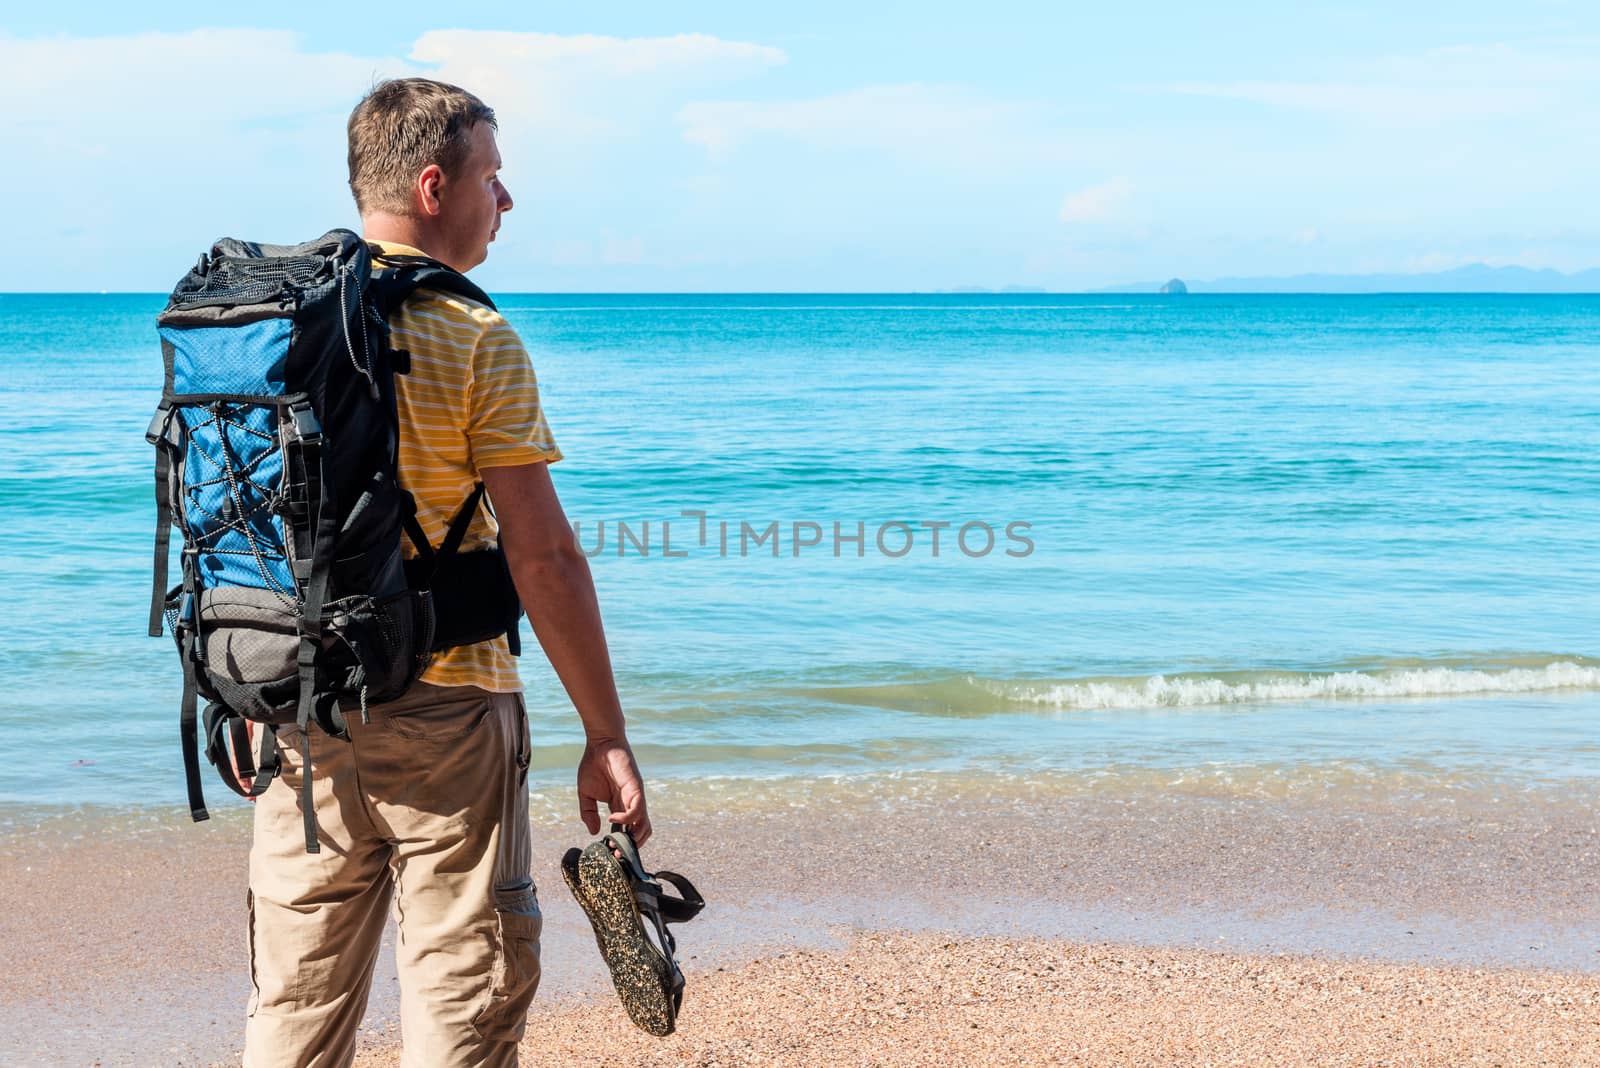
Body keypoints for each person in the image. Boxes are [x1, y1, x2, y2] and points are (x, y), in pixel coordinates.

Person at [242, 77, 651, 1068]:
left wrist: (254, 690)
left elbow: (248, 524)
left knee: (295, 1005)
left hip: (296, 710)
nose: (504, 202)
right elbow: (543, 554)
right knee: (464, 993)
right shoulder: (473, 335)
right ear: (434, 186)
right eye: (493, 179)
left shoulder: (269, 325)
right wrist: (605, 734)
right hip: (449, 714)